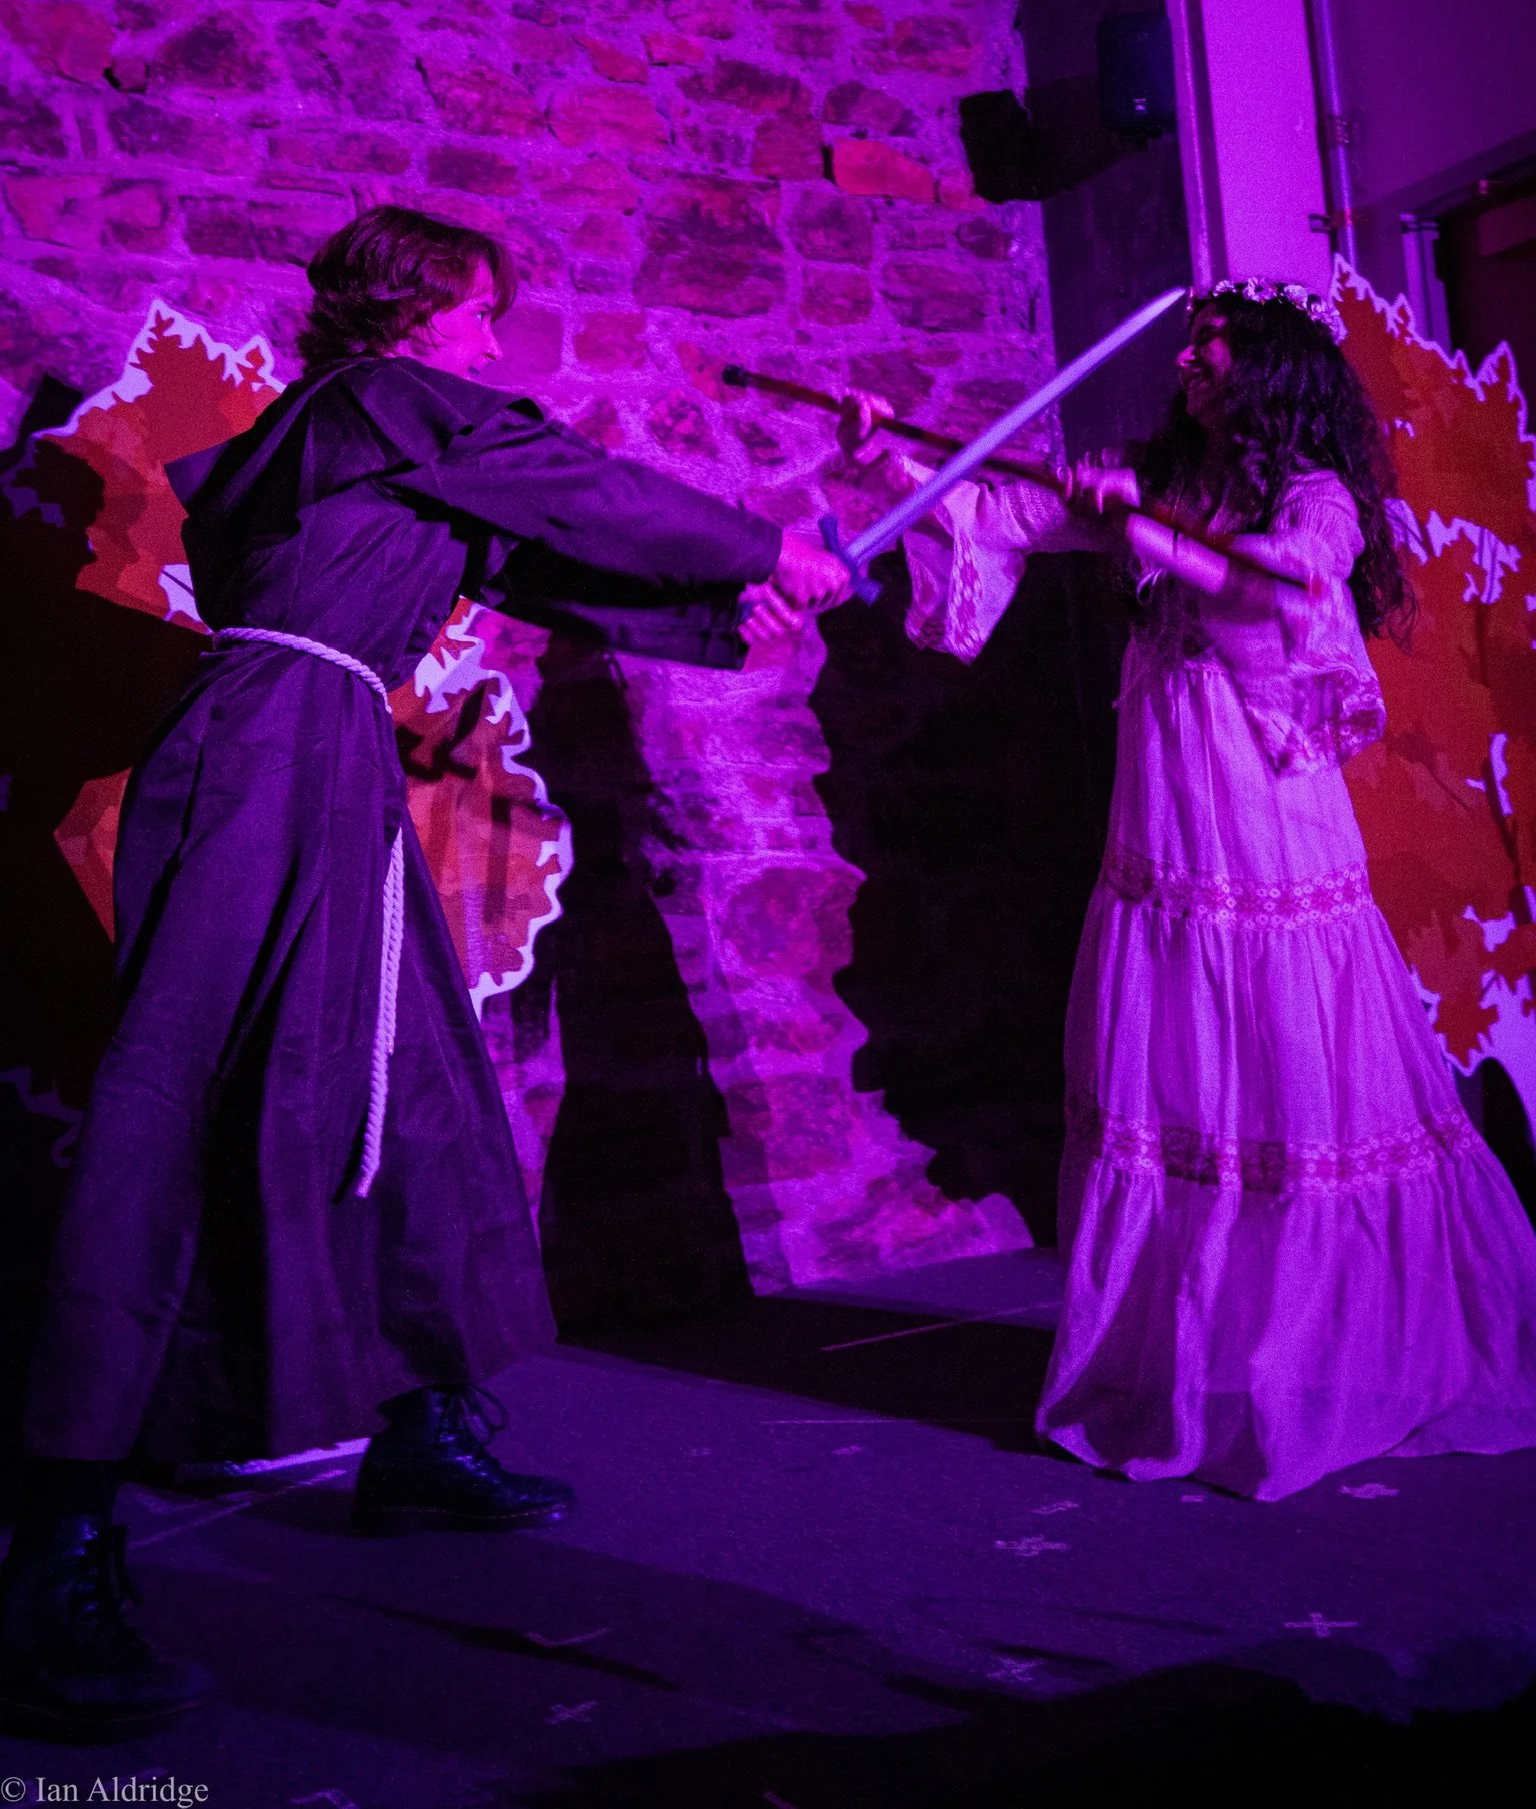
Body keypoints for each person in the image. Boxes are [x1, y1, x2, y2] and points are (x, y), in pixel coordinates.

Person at [0, 207, 847, 1734]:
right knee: (177, 1110)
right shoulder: (385, 398)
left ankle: (417, 1428)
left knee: (414, 1089)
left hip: (313, 759)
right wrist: (761, 541)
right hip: (271, 761)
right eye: (475, 312)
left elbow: (535, 553)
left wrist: (734, 602)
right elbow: (563, 485)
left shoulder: (379, 436)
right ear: (409, 310)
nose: (487, 341)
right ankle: (52, 1544)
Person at [840, 277, 1536, 1501]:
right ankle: (1200, 1349)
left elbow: (1277, 591)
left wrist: (1143, 527)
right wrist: (896, 445)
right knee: (1186, 1059)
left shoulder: (1316, 496)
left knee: (1286, 1049)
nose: (1192, 357)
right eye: (1190, 341)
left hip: (1262, 805)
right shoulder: (1163, 472)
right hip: (1167, 799)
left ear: (1270, 367)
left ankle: (1329, 1346)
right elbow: (1002, 513)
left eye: (1215, 341)